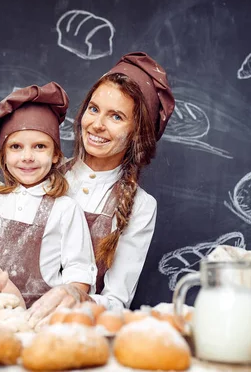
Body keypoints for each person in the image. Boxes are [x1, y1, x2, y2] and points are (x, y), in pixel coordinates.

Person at [25, 52, 175, 327]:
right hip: (11, 320)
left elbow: (117, 302)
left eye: (116, 116)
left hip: (74, 334)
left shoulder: (141, 206)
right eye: (93, 109)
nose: (96, 124)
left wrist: (76, 297)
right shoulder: (38, 171)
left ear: (137, 132)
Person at [0, 82, 97, 323]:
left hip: (42, 324)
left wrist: (55, 313)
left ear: (55, 154)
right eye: (16, 147)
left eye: (40, 146)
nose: (27, 157)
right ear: (3, 156)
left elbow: (79, 274)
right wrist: (10, 294)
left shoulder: (64, 208)